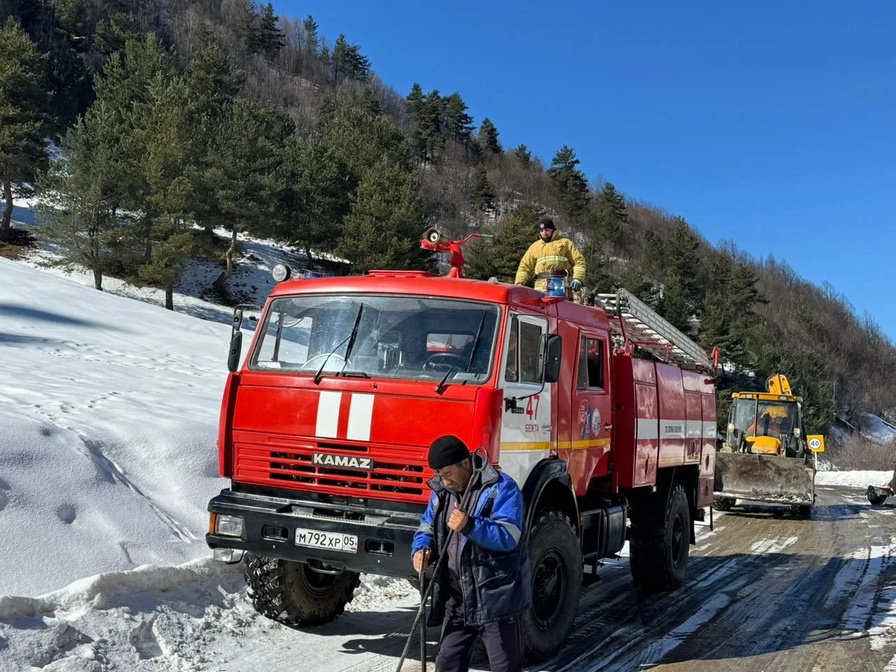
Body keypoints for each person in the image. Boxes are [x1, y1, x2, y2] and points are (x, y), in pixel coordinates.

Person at [412, 436, 528, 672]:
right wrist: (422, 549)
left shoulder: (501, 487)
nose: (444, 481)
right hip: (459, 599)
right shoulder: (442, 492)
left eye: (447, 473)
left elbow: (509, 536)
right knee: (446, 665)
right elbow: (427, 525)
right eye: (439, 474)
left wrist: (470, 525)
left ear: (465, 463)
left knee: (504, 668)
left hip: (495, 598)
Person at [514, 218, 586, 299]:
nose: (544, 233)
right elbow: (524, 267)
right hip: (541, 287)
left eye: (547, 230)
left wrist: (578, 278)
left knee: (563, 308)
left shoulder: (565, 243)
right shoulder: (535, 247)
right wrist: (519, 284)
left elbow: (579, 261)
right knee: (541, 310)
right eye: (541, 231)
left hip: (562, 285)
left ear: (553, 230)